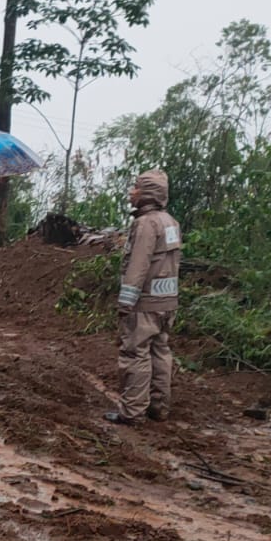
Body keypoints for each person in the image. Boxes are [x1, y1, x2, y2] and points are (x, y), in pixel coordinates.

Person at [106, 169, 181, 426]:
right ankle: (159, 407)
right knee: (160, 352)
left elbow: (138, 266)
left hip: (144, 303)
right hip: (167, 302)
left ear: (147, 192)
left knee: (135, 353)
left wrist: (126, 302)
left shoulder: (145, 224)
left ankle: (132, 412)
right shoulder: (171, 222)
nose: (131, 192)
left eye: (135, 187)